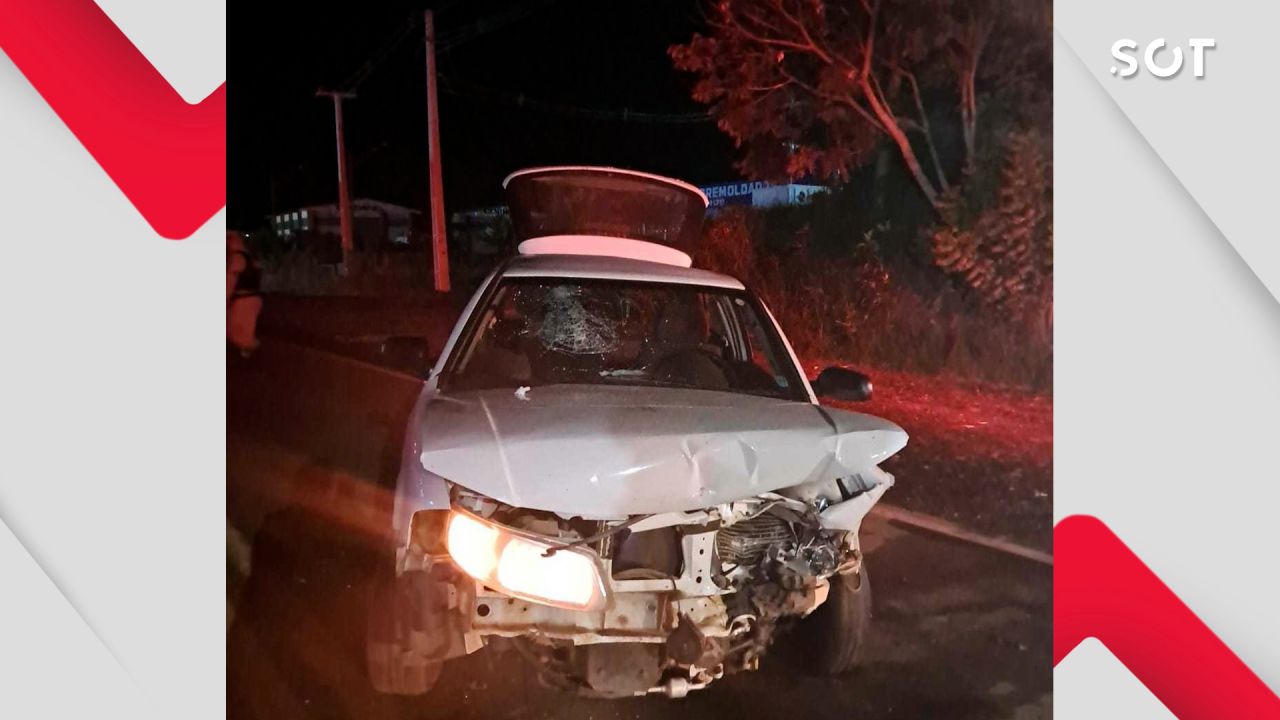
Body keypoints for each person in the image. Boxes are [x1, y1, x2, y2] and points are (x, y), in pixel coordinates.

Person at [227, 232, 263, 356]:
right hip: (254, 298)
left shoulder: (236, 258)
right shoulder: (249, 258)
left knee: (235, 331)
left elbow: (230, 281)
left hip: (242, 300)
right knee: (245, 330)